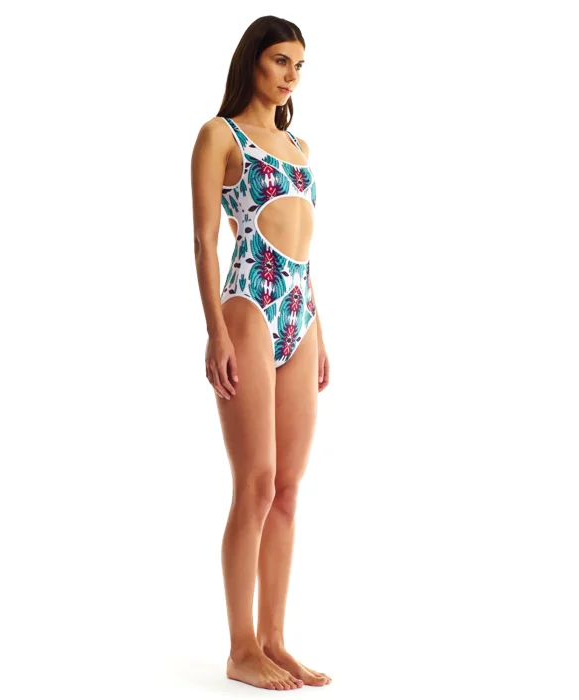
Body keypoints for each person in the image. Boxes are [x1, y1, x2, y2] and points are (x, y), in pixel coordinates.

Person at [191, 15, 332, 691]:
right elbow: (203, 240)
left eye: (298, 65)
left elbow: (306, 248)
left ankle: (275, 639)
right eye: (279, 60)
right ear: (252, 60)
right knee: (255, 482)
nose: (290, 75)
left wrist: (320, 329)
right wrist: (215, 331)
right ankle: (240, 648)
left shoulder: (299, 145)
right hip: (248, 304)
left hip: (300, 312)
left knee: (287, 488)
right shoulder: (220, 135)